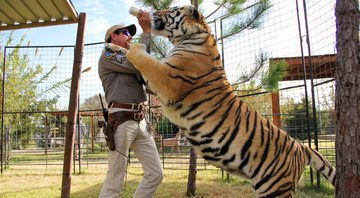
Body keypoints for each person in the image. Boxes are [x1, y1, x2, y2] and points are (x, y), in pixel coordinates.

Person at [98, 10, 163, 198]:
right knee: (114, 182)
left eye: (131, 33)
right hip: (121, 120)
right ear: (114, 36)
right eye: (126, 33)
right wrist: (146, 33)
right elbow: (139, 64)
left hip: (141, 121)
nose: (130, 36)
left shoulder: (129, 57)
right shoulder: (110, 53)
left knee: (155, 174)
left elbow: (147, 70)